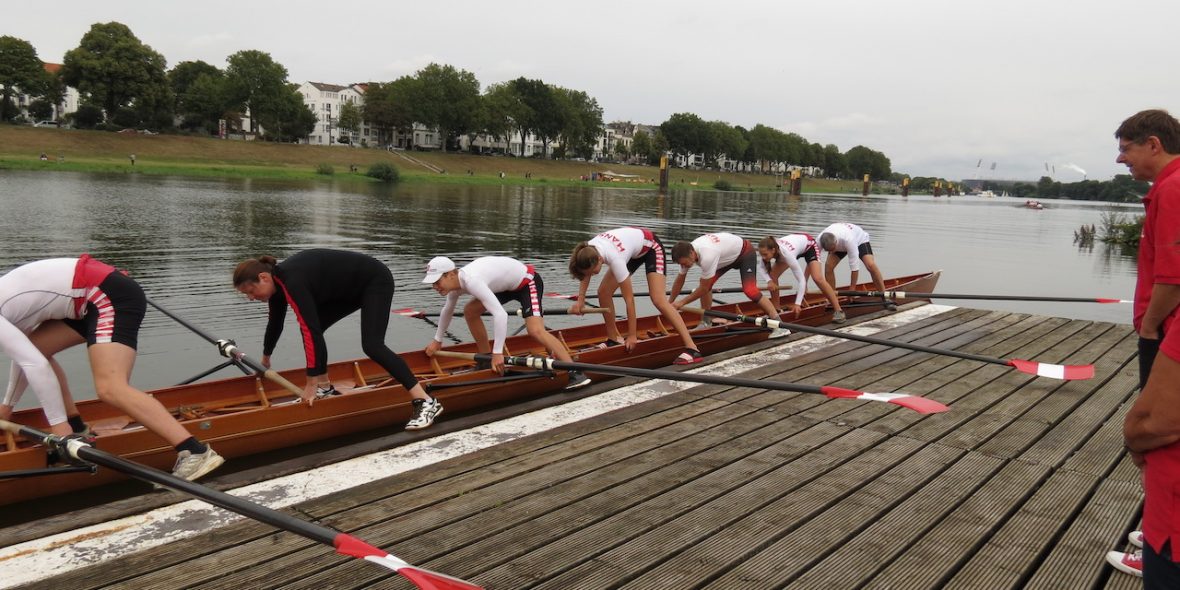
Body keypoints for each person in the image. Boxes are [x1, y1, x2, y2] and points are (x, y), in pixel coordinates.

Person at [0, 256, 223, 481]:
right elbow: (27, 357)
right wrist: (7, 407)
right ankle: (77, 429)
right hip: (86, 297)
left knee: (110, 388)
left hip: (107, 295)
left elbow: (34, 366)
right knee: (38, 349)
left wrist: (60, 432)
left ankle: (195, 451)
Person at [232, 249, 442, 430]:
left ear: (264, 278)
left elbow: (309, 331)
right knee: (317, 325)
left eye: (251, 291)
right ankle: (325, 388)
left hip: (374, 280)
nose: (251, 298)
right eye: (246, 295)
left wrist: (309, 384)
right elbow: (275, 323)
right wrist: (266, 357)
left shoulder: (293, 281)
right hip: (349, 288)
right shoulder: (277, 285)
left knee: (372, 345)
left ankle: (425, 400)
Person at [1111, 109, 1180, 587]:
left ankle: (1163, 546)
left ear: (1153, 144)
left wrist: (1150, 328)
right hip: (1167, 331)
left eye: (1127, 149)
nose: (1122, 158)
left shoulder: (1174, 189)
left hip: (1168, 334)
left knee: (1157, 439)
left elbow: (1173, 277)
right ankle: (1156, 531)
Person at [421, 256, 591, 389]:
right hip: (504, 287)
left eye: (437, 282)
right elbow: (447, 310)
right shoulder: (455, 287)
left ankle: (575, 371)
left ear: (451, 274)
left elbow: (500, 315)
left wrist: (498, 353)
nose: (435, 286)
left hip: (527, 282)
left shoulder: (472, 281)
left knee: (535, 330)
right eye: (432, 283)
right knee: (470, 311)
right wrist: (438, 340)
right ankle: (485, 359)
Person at [568, 227, 703, 364]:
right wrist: (580, 300)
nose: (590, 275)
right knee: (603, 292)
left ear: (599, 259)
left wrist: (632, 336)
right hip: (630, 250)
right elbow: (585, 273)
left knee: (658, 300)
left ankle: (692, 348)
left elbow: (629, 299)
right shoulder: (586, 252)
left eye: (593, 272)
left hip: (651, 247)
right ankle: (613, 339)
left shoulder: (615, 259)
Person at [668, 232, 781, 323]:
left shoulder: (707, 255)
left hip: (745, 253)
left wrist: (681, 303)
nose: (683, 266)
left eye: (684, 263)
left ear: (692, 253)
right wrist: (670, 304)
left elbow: (703, 288)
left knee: (750, 290)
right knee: (705, 282)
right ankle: (706, 321)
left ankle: (777, 321)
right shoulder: (685, 252)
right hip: (726, 257)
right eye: (681, 264)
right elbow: (679, 280)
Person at [756, 234, 846, 323]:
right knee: (772, 276)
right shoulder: (769, 251)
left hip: (809, 246)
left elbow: (801, 280)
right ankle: (776, 310)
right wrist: (770, 281)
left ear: (773, 250)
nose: (763, 257)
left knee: (817, 278)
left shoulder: (787, 255)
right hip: (795, 247)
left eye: (765, 255)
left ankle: (839, 311)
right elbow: (760, 268)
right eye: (761, 255)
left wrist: (797, 304)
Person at [816, 222, 896, 311]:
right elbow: (812, 263)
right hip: (840, 240)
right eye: (829, 251)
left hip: (859, 240)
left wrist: (852, 290)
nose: (832, 251)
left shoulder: (849, 240)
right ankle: (832, 299)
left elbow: (854, 268)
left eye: (833, 249)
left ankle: (884, 296)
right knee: (828, 267)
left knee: (870, 265)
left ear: (835, 242)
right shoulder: (819, 241)